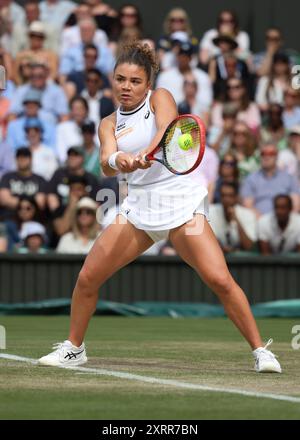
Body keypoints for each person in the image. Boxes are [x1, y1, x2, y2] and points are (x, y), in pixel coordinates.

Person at [38, 42, 282, 373]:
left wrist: (145, 154)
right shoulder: (108, 123)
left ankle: (261, 351)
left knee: (220, 279)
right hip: (139, 206)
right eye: (121, 79)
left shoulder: (160, 97)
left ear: (147, 83)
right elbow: (107, 165)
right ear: (113, 79)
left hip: (180, 199)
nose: (126, 87)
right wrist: (118, 159)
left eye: (135, 81)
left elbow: (168, 130)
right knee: (87, 278)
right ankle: (74, 348)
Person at [241, 143, 300, 217]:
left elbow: (296, 205)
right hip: (258, 221)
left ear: (277, 156)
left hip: (284, 222)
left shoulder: (289, 178)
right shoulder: (251, 179)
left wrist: (285, 223)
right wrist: (263, 222)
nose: (266, 156)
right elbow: (248, 206)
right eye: (263, 153)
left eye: (271, 153)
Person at [156, 41, 213, 109]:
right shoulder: (164, 77)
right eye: (181, 55)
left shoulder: (203, 77)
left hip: (196, 116)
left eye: (187, 56)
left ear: (191, 58)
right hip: (172, 116)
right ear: (177, 56)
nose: (184, 58)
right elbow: (159, 100)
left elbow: (207, 103)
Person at [0, 147, 47, 220]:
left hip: (34, 219)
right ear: (16, 160)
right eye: (19, 157)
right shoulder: (7, 177)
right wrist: (23, 203)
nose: (22, 160)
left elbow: (41, 203)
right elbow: (4, 199)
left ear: (31, 159)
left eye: (25, 157)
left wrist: (18, 203)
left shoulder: (40, 179)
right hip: (10, 218)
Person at [210, 182, 257, 253]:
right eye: (223, 195)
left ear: (236, 197)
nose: (226, 199)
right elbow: (209, 241)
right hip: (216, 255)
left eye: (230, 196)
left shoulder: (248, 214)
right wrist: (222, 248)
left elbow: (248, 246)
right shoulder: (210, 211)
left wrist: (236, 220)